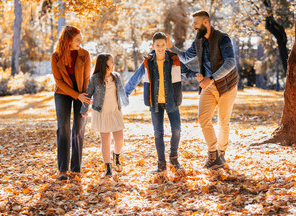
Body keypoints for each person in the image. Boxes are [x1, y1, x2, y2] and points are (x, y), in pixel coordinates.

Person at [167, 10, 238, 169]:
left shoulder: (222, 39)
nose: (194, 28)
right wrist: (171, 47)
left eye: (196, 24)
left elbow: (231, 63)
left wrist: (211, 77)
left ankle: (221, 154)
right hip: (209, 86)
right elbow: (185, 57)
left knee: (223, 122)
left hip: (226, 86)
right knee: (203, 118)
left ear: (206, 22)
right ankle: (213, 154)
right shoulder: (198, 41)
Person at [125, 32, 199, 173]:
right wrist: (125, 93)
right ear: (153, 46)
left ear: (166, 46)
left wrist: (198, 74)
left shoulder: (174, 59)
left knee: (176, 130)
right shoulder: (148, 61)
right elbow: (136, 77)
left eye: (163, 45)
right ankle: (161, 163)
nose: (160, 48)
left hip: (172, 100)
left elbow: (186, 71)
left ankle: (174, 157)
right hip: (155, 102)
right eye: (157, 45)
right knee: (158, 133)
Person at [51, 26, 92, 180]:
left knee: (79, 129)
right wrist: (77, 95)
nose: (80, 42)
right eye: (77, 39)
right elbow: (59, 82)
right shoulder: (55, 57)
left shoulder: (84, 55)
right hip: (63, 94)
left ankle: (75, 169)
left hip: (82, 93)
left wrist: (85, 99)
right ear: (68, 40)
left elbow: (87, 79)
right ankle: (62, 170)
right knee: (63, 129)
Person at [80, 54, 129, 177]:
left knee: (119, 139)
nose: (113, 64)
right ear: (104, 64)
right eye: (111, 62)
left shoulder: (116, 77)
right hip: (101, 112)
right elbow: (88, 94)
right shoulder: (95, 79)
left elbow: (121, 91)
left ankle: (116, 156)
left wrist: (125, 101)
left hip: (115, 111)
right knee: (105, 141)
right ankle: (108, 167)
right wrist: (83, 110)